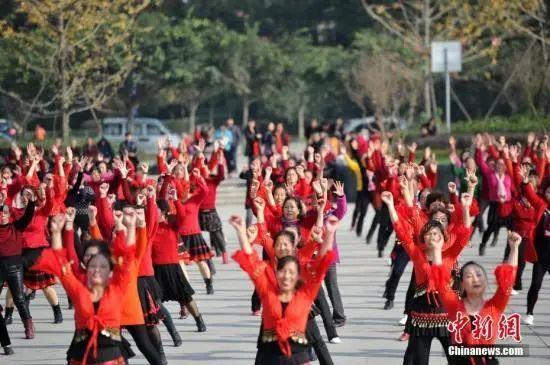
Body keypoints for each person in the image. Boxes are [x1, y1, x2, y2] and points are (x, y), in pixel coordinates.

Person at [231, 212, 337, 365]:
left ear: (294, 246)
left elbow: (320, 263)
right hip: (270, 352)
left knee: (317, 340)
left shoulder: (304, 290)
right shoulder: (268, 285)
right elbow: (251, 260)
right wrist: (242, 231)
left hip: (297, 353)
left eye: (286, 244)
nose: (287, 275)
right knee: (264, 345)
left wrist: (330, 234)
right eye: (282, 272)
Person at [33, 211, 136, 365]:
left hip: (112, 358)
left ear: (110, 272)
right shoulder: (79, 291)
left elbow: (128, 259)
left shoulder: (116, 290)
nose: (97, 270)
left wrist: (128, 226)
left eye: (102, 267)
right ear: (86, 269)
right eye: (93, 266)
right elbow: (62, 266)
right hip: (82, 358)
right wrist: (55, 233)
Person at [432, 231, 520, 365]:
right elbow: (440, 282)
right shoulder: (454, 305)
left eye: (479, 275)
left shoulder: (495, 306)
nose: (475, 279)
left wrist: (514, 248)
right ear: (461, 284)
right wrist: (437, 250)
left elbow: (507, 280)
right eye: (469, 276)